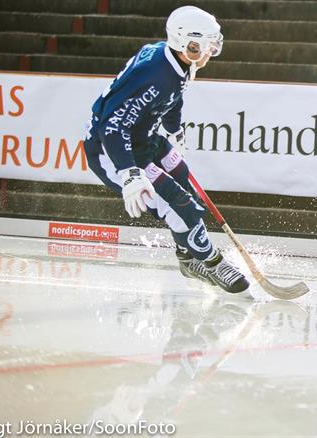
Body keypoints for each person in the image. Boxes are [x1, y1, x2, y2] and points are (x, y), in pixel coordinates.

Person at [83, 6, 249, 296]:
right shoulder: (154, 74)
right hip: (115, 150)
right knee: (180, 207)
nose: (211, 51)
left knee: (187, 185)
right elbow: (112, 126)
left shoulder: (176, 62)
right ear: (189, 44)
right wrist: (130, 173)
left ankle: (187, 258)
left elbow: (173, 97)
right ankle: (213, 262)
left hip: (146, 139)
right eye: (207, 45)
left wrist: (174, 131)